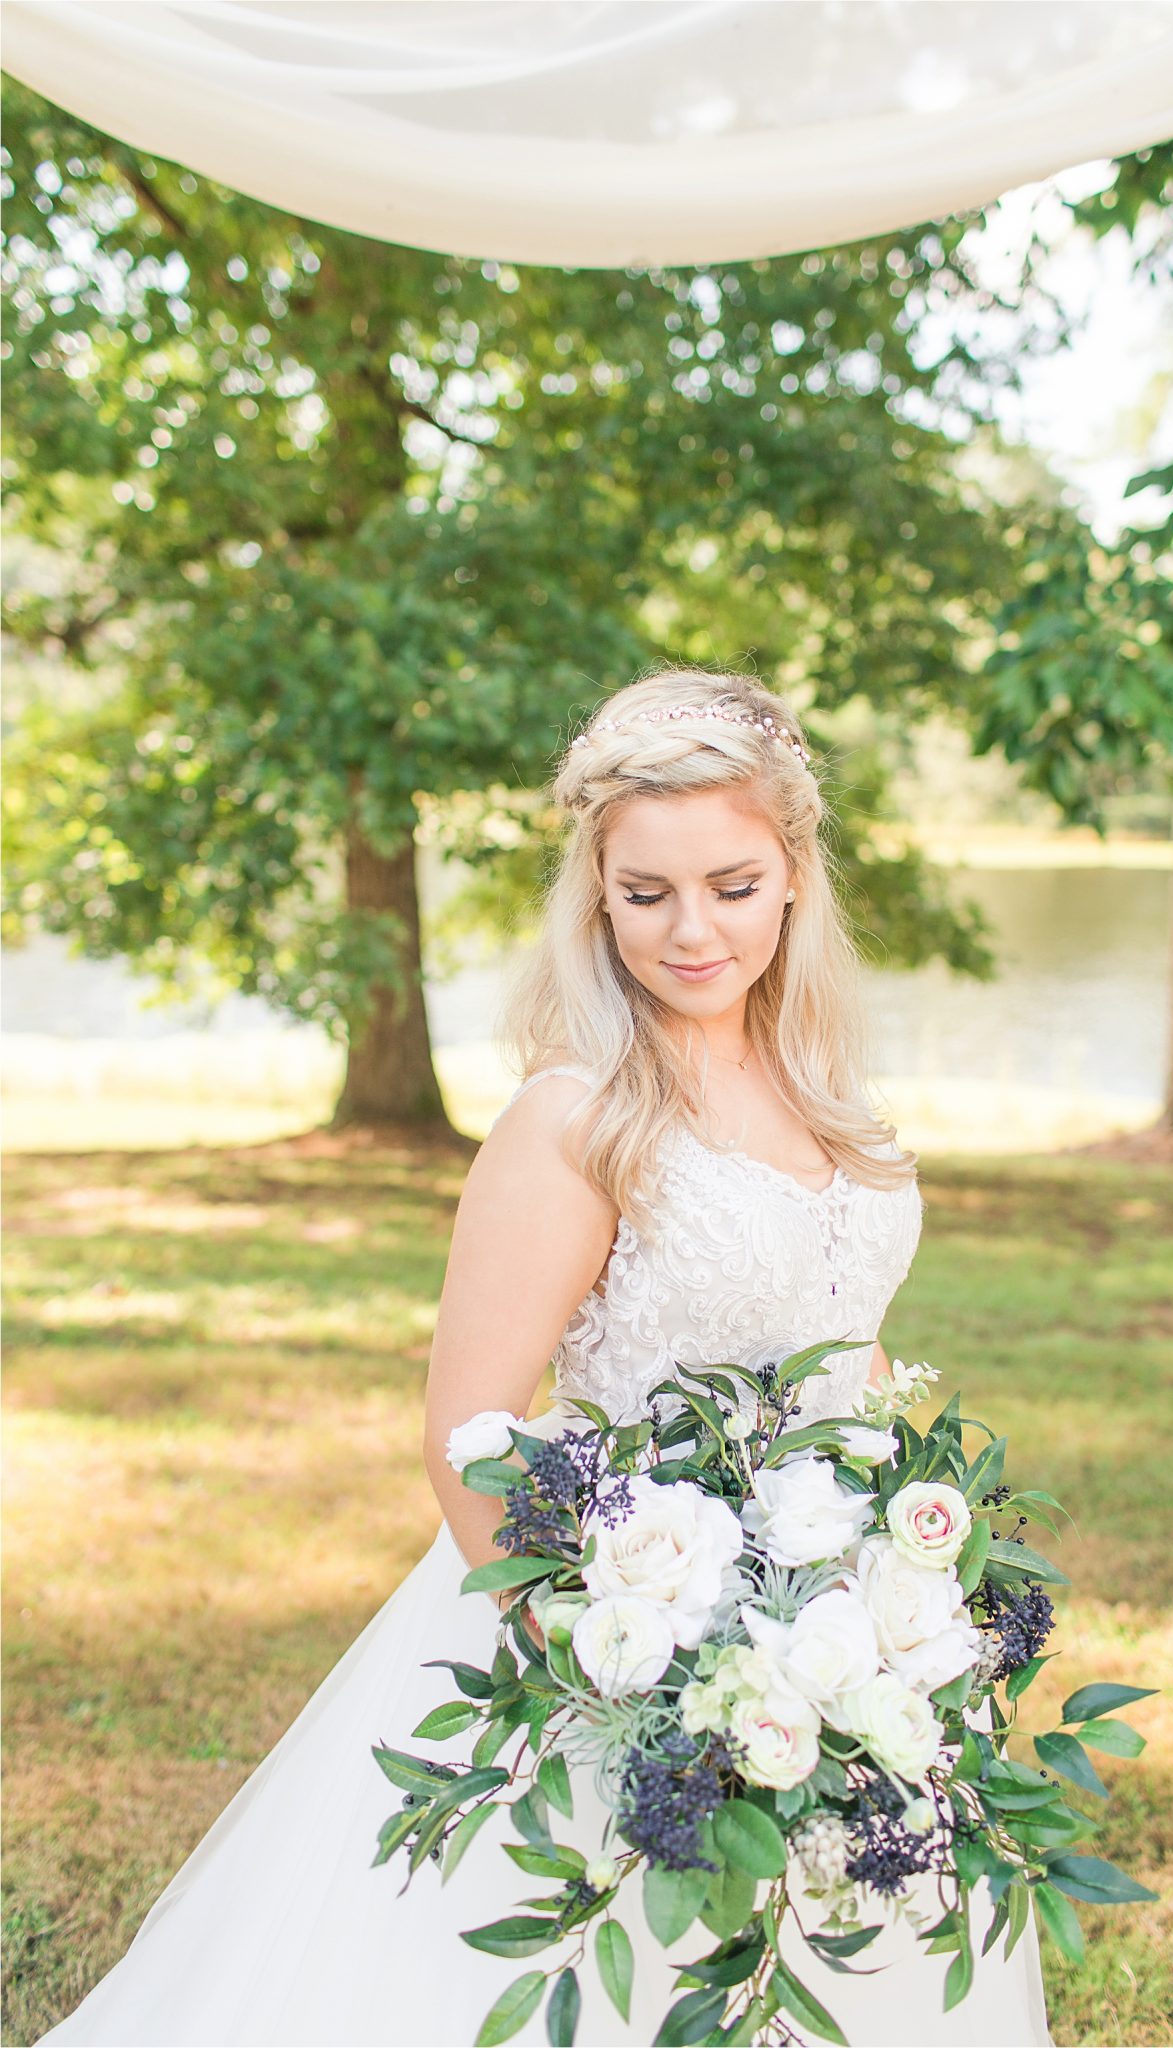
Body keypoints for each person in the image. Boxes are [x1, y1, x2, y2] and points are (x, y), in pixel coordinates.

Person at [39, 666, 1054, 2046]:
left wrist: (915, 1580)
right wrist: (618, 1682)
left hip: (838, 1635)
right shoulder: (576, 1119)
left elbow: (849, 1351)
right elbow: (467, 1427)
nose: (691, 930)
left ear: (795, 876)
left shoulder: (830, 1100)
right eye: (645, 895)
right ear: (595, 895)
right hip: (617, 1640)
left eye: (732, 886)